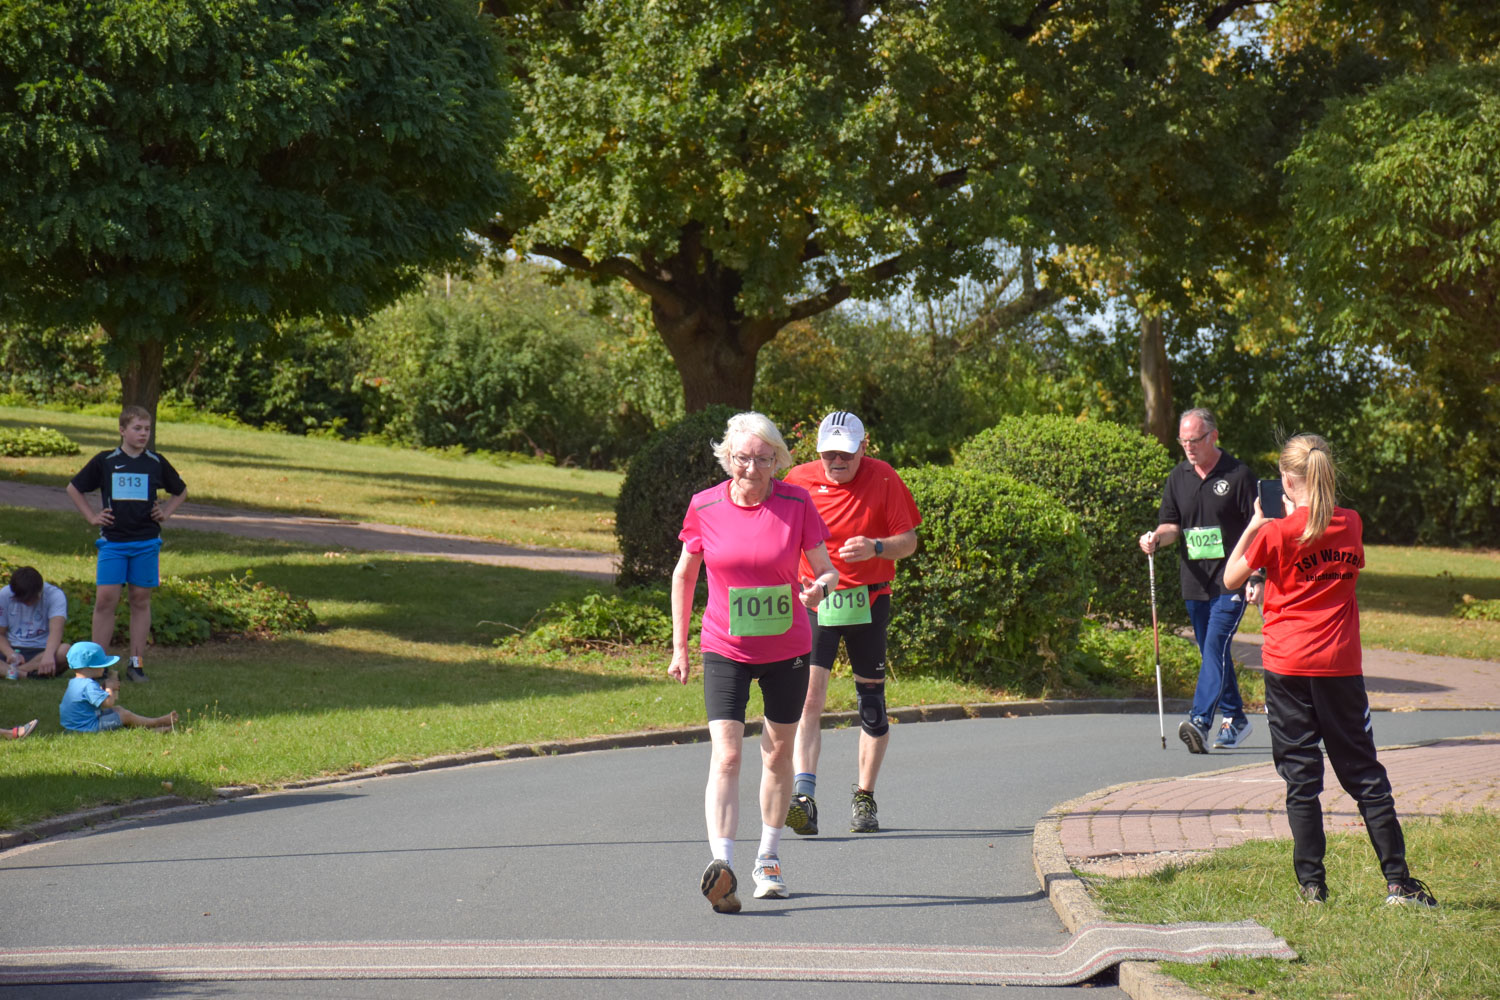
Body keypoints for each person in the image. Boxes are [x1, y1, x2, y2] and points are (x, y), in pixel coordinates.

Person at [1224, 434, 1436, 907]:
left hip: (1287, 666)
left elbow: (1230, 577)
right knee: (1363, 773)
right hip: (1339, 666)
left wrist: (1257, 522)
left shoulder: (1275, 532)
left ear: (1285, 480)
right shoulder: (1352, 524)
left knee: (1302, 778)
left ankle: (1312, 888)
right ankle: (1398, 883)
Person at [668, 412, 838, 913]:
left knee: (777, 754)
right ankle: (722, 865)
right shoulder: (705, 506)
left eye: (764, 459)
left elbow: (827, 573)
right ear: (728, 457)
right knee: (726, 755)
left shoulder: (796, 502)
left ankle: (768, 856)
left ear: (777, 461)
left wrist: (816, 590)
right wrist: (680, 647)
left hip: (787, 648)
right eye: (743, 458)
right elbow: (684, 576)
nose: (752, 468)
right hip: (725, 645)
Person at [782, 411, 920, 835]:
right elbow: (776, 535)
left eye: (845, 453)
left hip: (870, 600)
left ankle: (865, 798)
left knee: (872, 706)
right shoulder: (797, 481)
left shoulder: (883, 479)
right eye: (829, 453)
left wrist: (877, 546)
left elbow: (909, 542)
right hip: (818, 600)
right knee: (808, 698)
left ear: (863, 447)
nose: (836, 461)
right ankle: (803, 797)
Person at [1138, 407, 1257, 754]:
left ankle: (1201, 720)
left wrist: (1257, 574)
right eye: (1183, 440)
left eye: (1195, 440)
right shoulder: (1178, 477)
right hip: (1195, 580)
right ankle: (1236, 718)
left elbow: (1260, 528)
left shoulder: (1238, 475)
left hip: (1231, 579)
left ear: (1213, 436)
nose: (1188, 447)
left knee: (1215, 644)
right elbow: (1172, 525)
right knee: (1212, 650)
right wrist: (1156, 538)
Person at [66, 406, 188, 682]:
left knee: (140, 600)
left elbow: (180, 491)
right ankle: (98, 665)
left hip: (146, 542)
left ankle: (136, 663)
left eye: (147, 429)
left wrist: (166, 512)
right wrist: (92, 517)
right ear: (122, 430)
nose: (143, 433)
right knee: (106, 600)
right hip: (113, 543)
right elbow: (74, 488)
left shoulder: (155, 462)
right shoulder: (105, 461)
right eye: (137, 428)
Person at [59, 641, 178, 733]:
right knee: (124, 715)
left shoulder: (75, 682)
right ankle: (157, 723)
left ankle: (150, 729)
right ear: (91, 667)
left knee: (118, 710)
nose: (104, 668)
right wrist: (110, 688)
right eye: (102, 665)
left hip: (75, 726)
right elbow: (108, 703)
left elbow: (89, 701)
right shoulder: (88, 685)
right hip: (87, 728)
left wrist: (103, 688)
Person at [1, 566, 71, 679]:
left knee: (66, 651)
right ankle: (27, 675)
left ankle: (10, 672)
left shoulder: (55, 595)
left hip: (42, 650)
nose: (28, 603)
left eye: (31, 599)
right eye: (23, 600)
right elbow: (0, 633)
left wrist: (48, 655)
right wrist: (10, 654)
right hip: (13, 648)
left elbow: (56, 631)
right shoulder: (4, 594)